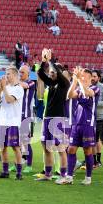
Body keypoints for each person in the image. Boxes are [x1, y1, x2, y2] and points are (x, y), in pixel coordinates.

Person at [35, 49, 69, 182]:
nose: (51, 73)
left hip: (59, 119)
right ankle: (48, 174)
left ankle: (63, 176)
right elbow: (39, 73)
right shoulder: (51, 84)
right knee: (46, 147)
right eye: (50, 71)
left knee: (60, 149)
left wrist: (50, 60)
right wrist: (44, 61)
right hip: (47, 118)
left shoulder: (64, 84)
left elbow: (55, 70)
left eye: (53, 71)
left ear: (59, 73)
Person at [66, 67, 100, 185]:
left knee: (87, 151)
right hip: (77, 124)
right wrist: (75, 80)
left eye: (84, 76)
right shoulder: (80, 90)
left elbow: (88, 93)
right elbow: (69, 95)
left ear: (90, 78)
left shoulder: (95, 88)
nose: (83, 77)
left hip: (88, 125)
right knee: (71, 149)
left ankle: (88, 178)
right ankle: (69, 177)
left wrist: (79, 80)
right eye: (82, 75)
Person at [0, 67, 25, 180]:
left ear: (15, 75)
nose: (6, 76)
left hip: (13, 122)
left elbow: (9, 100)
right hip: (2, 121)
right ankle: (5, 171)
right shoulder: (5, 88)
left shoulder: (19, 89)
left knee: (15, 147)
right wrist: (0, 91)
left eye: (8, 74)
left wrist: (4, 89)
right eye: (6, 74)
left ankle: (19, 173)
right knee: (2, 147)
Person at [18, 65, 36, 173]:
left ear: (28, 73)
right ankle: (18, 163)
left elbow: (24, 85)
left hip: (26, 116)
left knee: (26, 141)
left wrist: (12, 80)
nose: (20, 74)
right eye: (19, 72)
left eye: (23, 72)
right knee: (16, 142)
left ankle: (29, 165)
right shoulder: (17, 83)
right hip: (16, 116)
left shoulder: (31, 83)